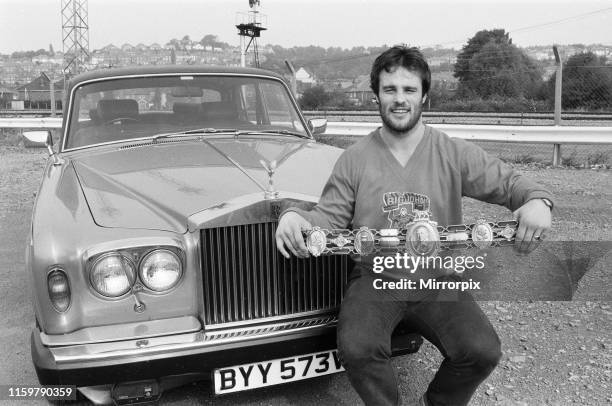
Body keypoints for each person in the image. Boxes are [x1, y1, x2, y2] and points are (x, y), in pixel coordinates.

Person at [275, 46, 553, 406]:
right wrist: (294, 216)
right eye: (390, 90)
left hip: (437, 279)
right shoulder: (354, 160)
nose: (400, 99)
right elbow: (327, 220)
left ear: (425, 96)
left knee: (482, 350)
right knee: (357, 349)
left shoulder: (452, 153)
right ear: (376, 95)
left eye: (409, 90)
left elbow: (511, 184)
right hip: (376, 279)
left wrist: (537, 200)